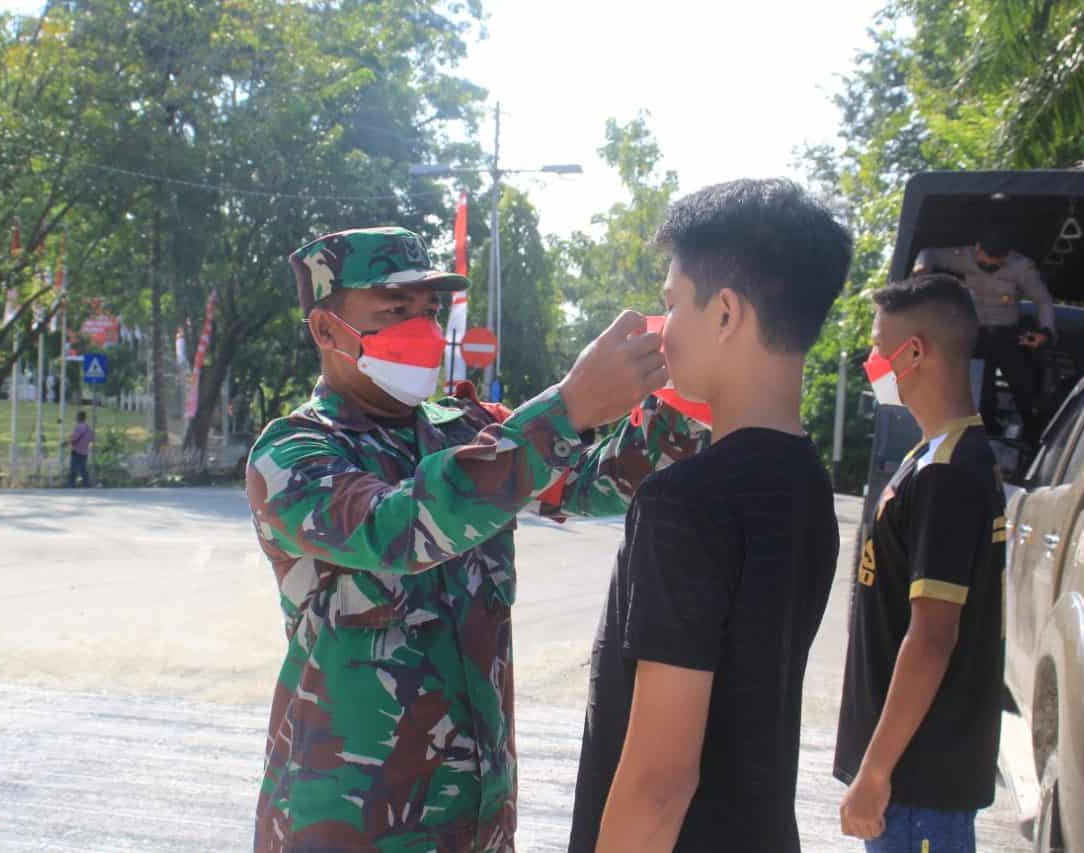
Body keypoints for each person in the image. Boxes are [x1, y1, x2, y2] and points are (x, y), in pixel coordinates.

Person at [243, 226, 707, 852]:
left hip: (477, 820)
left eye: (429, 312)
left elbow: (601, 484)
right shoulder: (294, 454)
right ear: (327, 331)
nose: (423, 329)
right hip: (348, 827)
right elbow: (402, 529)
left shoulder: (464, 427)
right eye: (394, 311)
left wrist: (680, 388)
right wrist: (566, 407)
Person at [568, 179, 854, 853]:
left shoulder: (685, 502)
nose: (660, 331)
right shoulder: (807, 479)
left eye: (671, 305)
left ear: (725, 313)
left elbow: (660, 783)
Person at [835, 274, 1006, 852]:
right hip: (912, 789)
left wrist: (875, 773)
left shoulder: (948, 475)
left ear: (914, 353)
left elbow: (932, 638)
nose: (872, 363)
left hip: (916, 789)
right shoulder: (927, 456)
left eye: (880, 348)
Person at [912, 228, 1054, 441]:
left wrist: (1045, 331)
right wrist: (921, 267)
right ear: (978, 249)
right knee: (980, 389)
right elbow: (929, 252)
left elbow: (1042, 300)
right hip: (976, 335)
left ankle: (1035, 436)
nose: (991, 267)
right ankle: (986, 433)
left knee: (1025, 388)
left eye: (997, 263)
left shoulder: (1021, 267)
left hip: (1008, 335)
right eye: (987, 261)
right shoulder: (963, 257)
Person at [65, 411, 93, 487]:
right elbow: (91, 439)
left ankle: (71, 484)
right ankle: (87, 484)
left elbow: (74, 438)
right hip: (85, 451)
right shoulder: (89, 428)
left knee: (73, 469)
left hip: (77, 451)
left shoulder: (79, 427)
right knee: (83, 469)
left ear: (80, 417)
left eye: (77, 417)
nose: (76, 418)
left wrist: (66, 443)